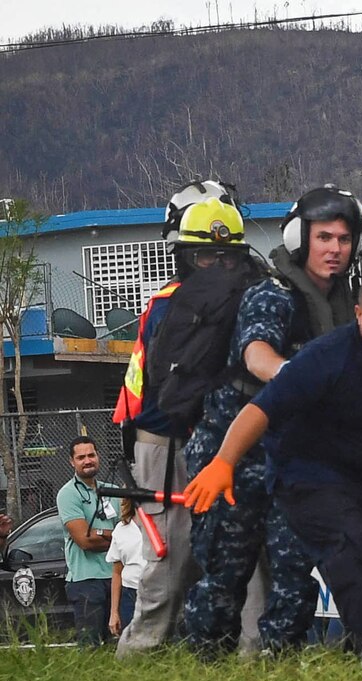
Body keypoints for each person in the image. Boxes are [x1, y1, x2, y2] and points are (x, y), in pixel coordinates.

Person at [183, 272, 362, 657]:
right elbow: (260, 409)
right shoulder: (326, 357)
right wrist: (223, 462)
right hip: (308, 474)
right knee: (351, 549)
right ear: (358, 315)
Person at [183, 185, 362, 657]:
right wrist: (300, 377)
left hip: (296, 457)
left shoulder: (350, 304)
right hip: (234, 453)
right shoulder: (273, 292)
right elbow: (256, 352)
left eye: (344, 240)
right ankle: (206, 668)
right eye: (324, 237)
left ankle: (278, 664)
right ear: (299, 236)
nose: (334, 249)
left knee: (294, 574)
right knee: (223, 576)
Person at [112, 180, 238, 656]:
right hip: (165, 444)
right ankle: (139, 658)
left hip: (200, 441)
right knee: (169, 562)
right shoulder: (171, 304)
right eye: (206, 253)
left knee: (216, 557)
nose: (217, 262)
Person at [56, 435, 118, 646]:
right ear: (72, 462)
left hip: (117, 578)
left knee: (119, 645)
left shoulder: (112, 491)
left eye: (91, 455)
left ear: (98, 456)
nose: (87, 460)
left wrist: (99, 534)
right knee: (90, 644)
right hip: (86, 582)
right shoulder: (68, 494)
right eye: (81, 457)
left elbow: (131, 534)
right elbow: (84, 541)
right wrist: (115, 538)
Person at [107, 499, 147, 637]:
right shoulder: (121, 529)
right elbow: (117, 572)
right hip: (131, 595)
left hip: (160, 592)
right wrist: (114, 612)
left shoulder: (164, 524)